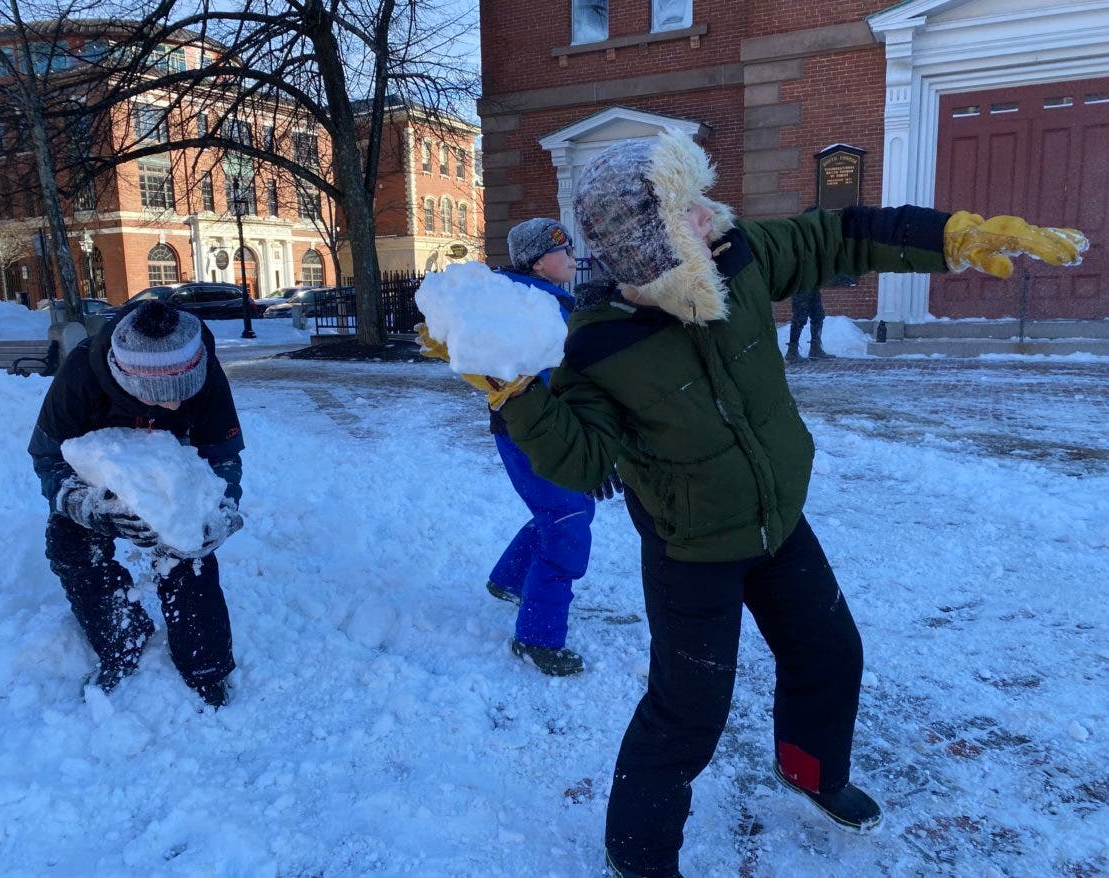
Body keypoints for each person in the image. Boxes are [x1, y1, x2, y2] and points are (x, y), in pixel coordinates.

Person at [420, 130, 1086, 877]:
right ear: (642, 240)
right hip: (691, 546)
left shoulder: (735, 258)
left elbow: (842, 233)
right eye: (684, 208)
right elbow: (580, 459)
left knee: (830, 654)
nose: (708, 215)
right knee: (688, 716)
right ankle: (637, 858)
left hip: (778, 518)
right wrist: (513, 395)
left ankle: (810, 769)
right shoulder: (596, 345)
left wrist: (953, 236)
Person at [28, 299, 246, 709]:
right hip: (98, 481)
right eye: (160, 396)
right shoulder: (78, 377)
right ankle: (120, 640)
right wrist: (90, 507)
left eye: (184, 393)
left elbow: (223, 456)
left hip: (172, 475)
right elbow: (48, 459)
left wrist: (220, 509)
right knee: (71, 547)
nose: (175, 407)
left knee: (188, 552)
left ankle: (206, 667)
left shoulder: (206, 369)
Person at [482, 218, 614, 677]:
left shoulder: (543, 301)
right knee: (567, 522)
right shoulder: (531, 308)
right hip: (533, 433)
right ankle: (537, 638)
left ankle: (509, 579)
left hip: (542, 430)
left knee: (564, 512)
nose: (575, 260)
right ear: (539, 260)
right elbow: (555, 383)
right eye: (566, 252)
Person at [785, 287, 834, 363]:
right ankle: (792, 352)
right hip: (800, 288)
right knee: (800, 318)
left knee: (818, 315)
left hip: (813, 287)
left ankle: (815, 349)